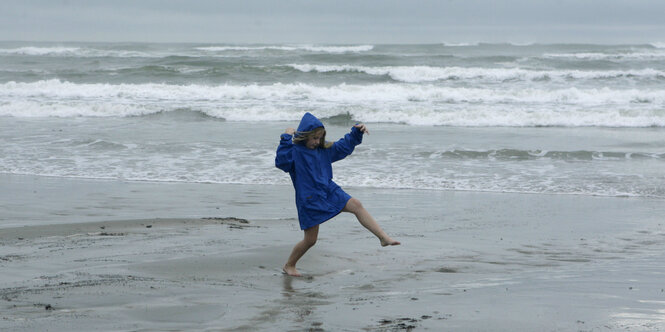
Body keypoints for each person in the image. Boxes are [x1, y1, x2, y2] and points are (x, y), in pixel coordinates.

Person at [275, 112, 400, 277]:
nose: (317, 142)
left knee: (356, 204)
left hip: (329, 190)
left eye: (319, 138)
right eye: (314, 138)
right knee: (310, 240)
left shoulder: (323, 149)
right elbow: (281, 163)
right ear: (304, 136)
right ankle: (289, 265)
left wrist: (356, 133)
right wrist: (286, 137)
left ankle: (383, 238)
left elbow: (342, 147)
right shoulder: (295, 152)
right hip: (309, 199)